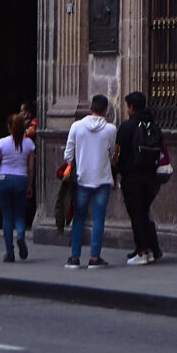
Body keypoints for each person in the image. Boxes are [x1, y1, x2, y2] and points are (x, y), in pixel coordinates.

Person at [62, 95, 115, 269]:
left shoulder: (76, 126)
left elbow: (68, 155)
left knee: (78, 218)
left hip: (82, 178)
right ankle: (94, 257)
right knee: (99, 219)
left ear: (91, 107)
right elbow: (112, 153)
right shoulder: (111, 129)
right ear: (105, 110)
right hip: (102, 178)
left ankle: (74, 257)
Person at [115, 92, 164, 265]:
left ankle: (143, 251)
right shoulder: (152, 125)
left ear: (131, 107)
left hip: (132, 176)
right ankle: (150, 249)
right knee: (144, 213)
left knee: (136, 214)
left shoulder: (127, 127)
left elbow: (118, 152)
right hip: (151, 176)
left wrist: (114, 171)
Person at [0, 108, 37, 263]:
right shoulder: (29, 144)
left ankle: (9, 252)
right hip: (21, 179)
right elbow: (30, 168)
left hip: (4, 179)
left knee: (7, 216)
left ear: (9, 127)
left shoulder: (2, 143)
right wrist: (29, 185)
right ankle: (20, 235)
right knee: (19, 214)